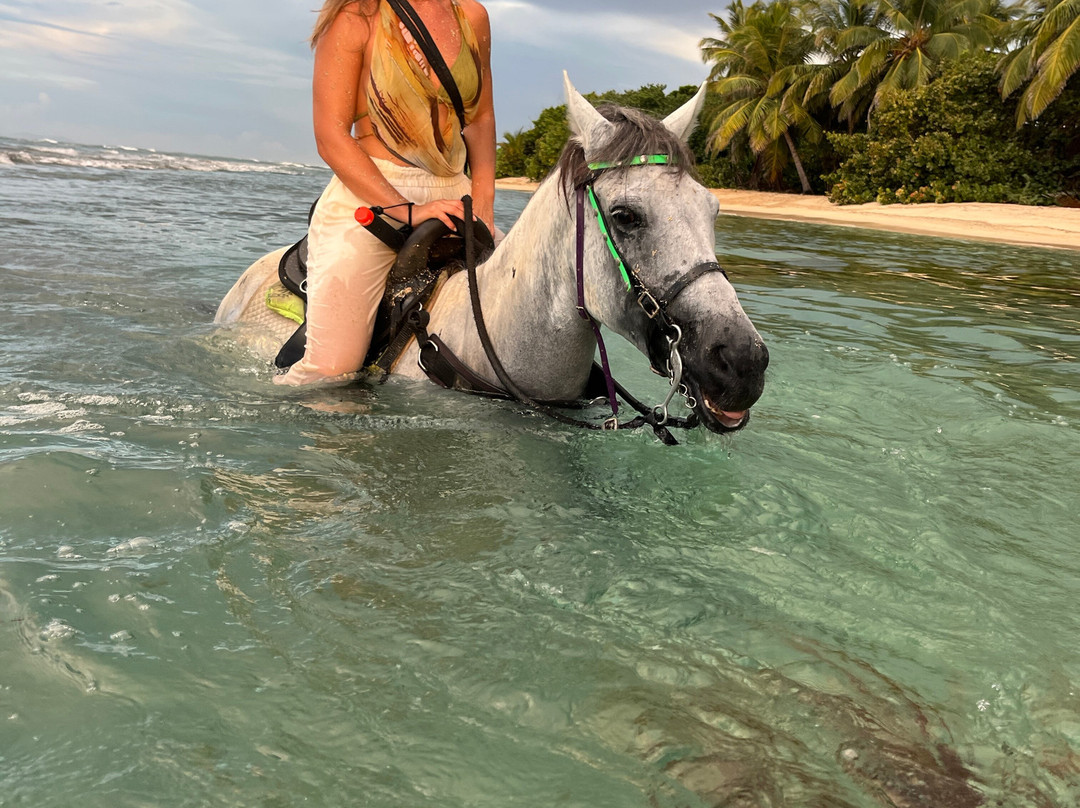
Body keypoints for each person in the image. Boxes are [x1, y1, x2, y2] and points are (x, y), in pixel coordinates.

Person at [276, 0, 495, 386]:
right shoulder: (356, 18)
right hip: (372, 197)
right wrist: (407, 210)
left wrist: (484, 204)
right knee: (330, 374)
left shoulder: (472, 16)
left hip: (455, 196)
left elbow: (479, 118)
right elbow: (330, 137)